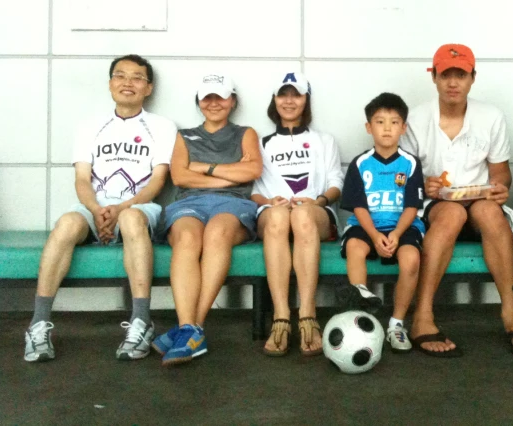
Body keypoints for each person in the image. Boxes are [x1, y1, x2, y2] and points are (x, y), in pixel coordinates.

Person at [24, 55, 177, 363]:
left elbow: (157, 182)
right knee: (67, 223)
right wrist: (95, 209)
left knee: (132, 220)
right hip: (94, 208)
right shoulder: (90, 126)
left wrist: (122, 208)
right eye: (120, 76)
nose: (128, 83)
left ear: (148, 88)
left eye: (137, 78)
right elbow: (82, 179)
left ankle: (141, 321)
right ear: (110, 84)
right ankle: (38, 325)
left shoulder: (161, 126)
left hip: (138, 207)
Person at [402, 44, 513, 357]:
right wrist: (424, 183)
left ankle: (511, 313)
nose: (453, 82)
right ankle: (423, 317)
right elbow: (403, 175)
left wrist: (500, 189)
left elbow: (501, 174)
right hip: (437, 207)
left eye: (461, 74)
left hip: (478, 203)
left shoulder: (490, 116)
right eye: (446, 74)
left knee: (490, 211)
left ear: (472, 78)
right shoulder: (416, 118)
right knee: (452, 213)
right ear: (434, 77)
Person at [152, 73, 262, 366]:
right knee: (187, 238)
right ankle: (191, 329)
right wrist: (229, 173)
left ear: (233, 100)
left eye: (221, 96)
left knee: (216, 233)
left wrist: (205, 168)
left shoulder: (245, 133)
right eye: (207, 97)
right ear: (199, 102)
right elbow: (180, 176)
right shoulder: (184, 135)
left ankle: (189, 328)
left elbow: (252, 171)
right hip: (189, 202)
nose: (214, 103)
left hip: (235, 204)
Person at [251, 72, 343, 357]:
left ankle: (307, 314)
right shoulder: (261, 143)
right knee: (278, 217)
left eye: (296, 94)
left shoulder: (324, 140)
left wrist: (318, 200)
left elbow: (336, 183)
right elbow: (253, 191)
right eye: (283, 94)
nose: (289, 101)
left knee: (302, 215)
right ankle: (281, 317)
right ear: (274, 100)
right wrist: (269, 200)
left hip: (313, 213)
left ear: (306, 100)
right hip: (274, 212)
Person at [339, 93, 425, 353]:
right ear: (369, 127)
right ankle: (361, 301)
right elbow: (359, 206)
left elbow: (412, 206)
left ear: (403, 128)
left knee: (410, 259)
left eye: (394, 122)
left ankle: (396, 324)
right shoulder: (360, 163)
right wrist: (375, 235)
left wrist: (397, 234)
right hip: (367, 225)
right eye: (379, 122)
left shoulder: (410, 163)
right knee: (355, 247)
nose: (387, 128)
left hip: (402, 226)